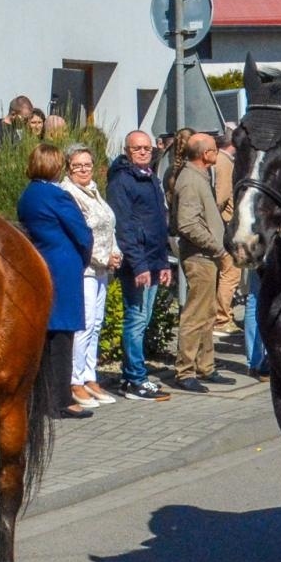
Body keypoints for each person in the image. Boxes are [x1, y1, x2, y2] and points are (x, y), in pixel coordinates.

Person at [17, 144, 94, 418]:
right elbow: (82, 232)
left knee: (46, 336)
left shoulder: (28, 195)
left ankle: (42, 399)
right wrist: (83, 257)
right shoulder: (57, 195)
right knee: (63, 335)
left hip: (41, 262)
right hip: (64, 265)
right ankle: (62, 400)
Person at [107, 131, 173, 401]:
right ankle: (135, 379)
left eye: (147, 148)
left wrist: (163, 262)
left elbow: (158, 227)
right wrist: (140, 266)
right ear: (127, 151)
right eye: (137, 149)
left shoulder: (152, 178)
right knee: (135, 320)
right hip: (137, 265)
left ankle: (129, 375)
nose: (144, 152)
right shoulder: (122, 181)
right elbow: (126, 229)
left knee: (143, 321)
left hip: (154, 261)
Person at [171, 133, 234, 392]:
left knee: (207, 314)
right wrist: (216, 246)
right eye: (214, 149)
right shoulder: (189, 180)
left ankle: (205, 366)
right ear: (205, 154)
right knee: (195, 315)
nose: (217, 152)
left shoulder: (201, 176)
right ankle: (184, 371)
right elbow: (187, 223)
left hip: (209, 256)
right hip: (199, 257)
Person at [60, 146, 121, 405]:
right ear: (68, 168)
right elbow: (80, 233)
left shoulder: (94, 191)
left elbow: (108, 226)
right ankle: (75, 380)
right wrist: (101, 257)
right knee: (83, 325)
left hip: (102, 268)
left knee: (96, 324)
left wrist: (115, 253)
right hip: (84, 267)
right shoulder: (69, 193)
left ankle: (89, 376)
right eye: (78, 166)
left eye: (87, 165)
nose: (84, 170)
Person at [211, 128, 241, 335]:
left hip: (224, 224)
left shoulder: (220, 160)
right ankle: (222, 318)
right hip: (226, 225)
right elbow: (221, 197)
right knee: (230, 274)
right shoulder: (223, 162)